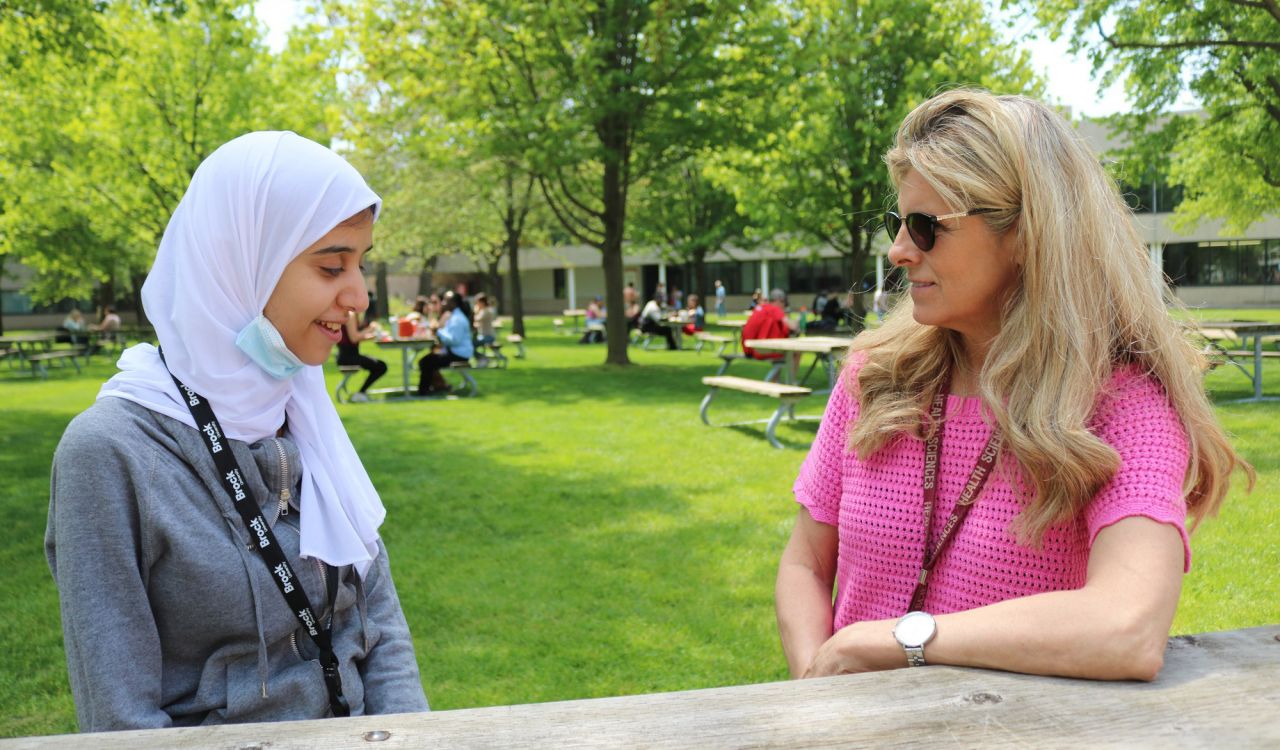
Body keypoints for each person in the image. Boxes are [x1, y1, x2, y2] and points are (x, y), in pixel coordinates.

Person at [775, 89, 1251, 685]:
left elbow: (1128, 626)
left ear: (1027, 234)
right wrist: (815, 687)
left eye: (926, 228)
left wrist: (899, 641)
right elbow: (804, 565)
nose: (897, 251)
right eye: (899, 223)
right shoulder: (873, 378)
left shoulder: (1125, 407)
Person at [46, 132, 429, 732]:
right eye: (332, 266)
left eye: (362, 263)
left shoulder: (300, 404)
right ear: (242, 262)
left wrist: (412, 739)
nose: (358, 296)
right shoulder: (110, 452)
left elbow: (378, 624)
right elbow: (120, 720)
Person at [417, 290, 473, 395]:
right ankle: (434, 387)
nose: (443, 303)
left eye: (445, 301)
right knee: (427, 360)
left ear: (453, 303)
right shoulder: (454, 316)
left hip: (459, 355)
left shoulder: (458, 319)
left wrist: (437, 331)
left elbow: (454, 341)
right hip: (454, 352)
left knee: (426, 362)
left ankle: (424, 391)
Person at [338, 300, 388, 403]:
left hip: (349, 355)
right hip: (348, 357)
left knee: (380, 365)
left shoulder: (352, 315)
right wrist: (373, 333)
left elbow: (357, 334)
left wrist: (371, 330)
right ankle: (361, 393)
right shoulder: (351, 315)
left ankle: (361, 392)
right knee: (381, 367)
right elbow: (354, 338)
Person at [741, 288, 795, 361]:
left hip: (747, 349)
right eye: (784, 303)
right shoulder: (774, 309)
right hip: (757, 350)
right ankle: (792, 373)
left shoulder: (761, 307)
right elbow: (792, 326)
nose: (784, 306)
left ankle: (777, 371)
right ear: (779, 301)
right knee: (794, 352)